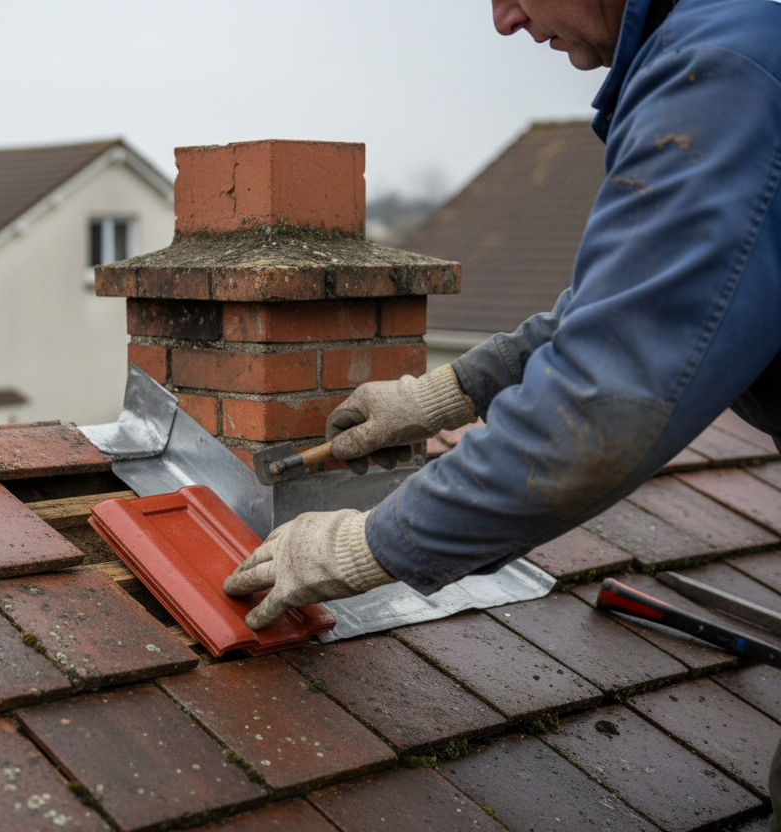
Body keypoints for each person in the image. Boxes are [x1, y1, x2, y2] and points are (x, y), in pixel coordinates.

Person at [223, 0, 781, 826]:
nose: (504, 20)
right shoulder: (736, 36)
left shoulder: (728, 71)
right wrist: (445, 395)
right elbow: (621, 306)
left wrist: (367, 542)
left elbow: (600, 411)